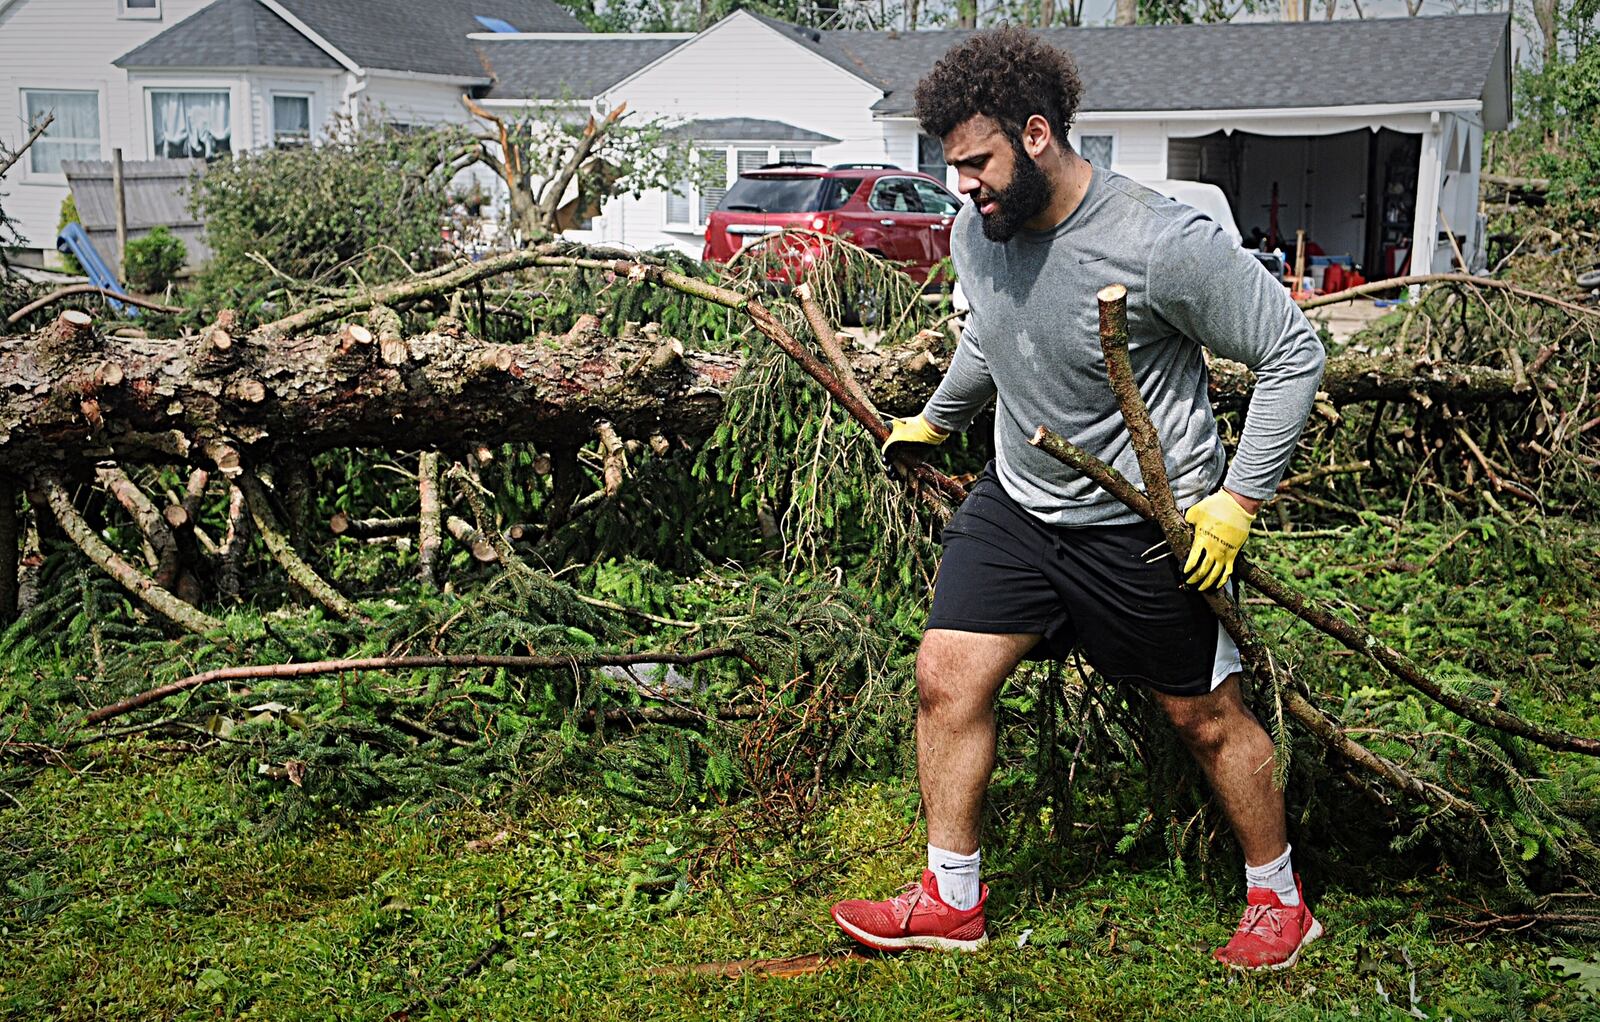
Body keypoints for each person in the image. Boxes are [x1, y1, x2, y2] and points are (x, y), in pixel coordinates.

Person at [829, 28, 1328, 972]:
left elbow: (1293, 354)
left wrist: (1237, 501)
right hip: (1020, 508)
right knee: (946, 675)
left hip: (1139, 525)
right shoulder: (977, 232)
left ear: (1037, 134)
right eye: (953, 167)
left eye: (977, 163)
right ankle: (951, 899)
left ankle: (1280, 899)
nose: (964, 186)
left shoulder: (1160, 242)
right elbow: (994, 335)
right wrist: (937, 420)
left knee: (1204, 717)